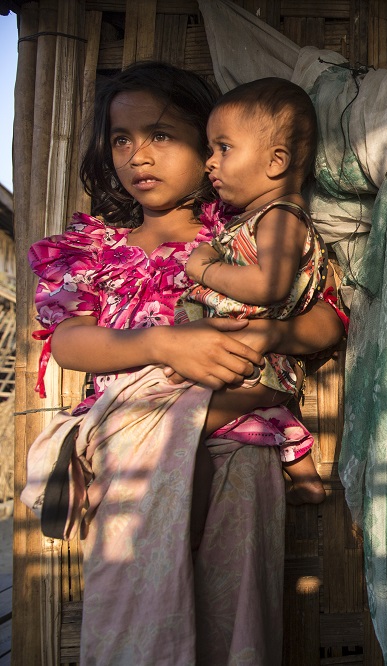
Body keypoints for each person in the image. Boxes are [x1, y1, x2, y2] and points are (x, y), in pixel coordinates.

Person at [23, 61, 343, 664]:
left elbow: (326, 318)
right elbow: (67, 341)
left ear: (210, 148)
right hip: (136, 449)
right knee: (138, 605)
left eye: (161, 135)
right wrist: (162, 344)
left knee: (236, 612)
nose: (138, 155)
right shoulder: (97, 249)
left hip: (237, 449)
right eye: (122, 139)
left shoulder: (246, 237)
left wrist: (267, 337)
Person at [177, 77, 342, 505]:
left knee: (185, 429)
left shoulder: (281, 218)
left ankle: (187, 531)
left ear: (276, 161)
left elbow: (268, 286)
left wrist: (207, 268)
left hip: (260, 363)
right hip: (258, 362)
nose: (210, 162)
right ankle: (305, 480)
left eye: (223, 148)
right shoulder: (254, 218)